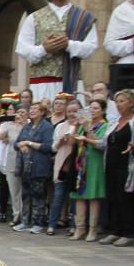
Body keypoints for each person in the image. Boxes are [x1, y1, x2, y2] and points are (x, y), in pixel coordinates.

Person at [15, 0, 98, 102]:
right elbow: (22, 49)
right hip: (41, 83)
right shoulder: (34, 18)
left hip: (72, 81)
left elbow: (90, 48)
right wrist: (44, 49)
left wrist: (68, 45)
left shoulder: (83, 17)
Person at [99, 89, 134, 247]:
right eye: (117, 101)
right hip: (111, 164)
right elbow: (103, 143)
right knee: (112, 197)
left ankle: (128, 231)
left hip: (127, 165)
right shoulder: (114, 122)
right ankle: (115, 230)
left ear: (131, 103)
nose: (118, 104)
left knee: (125, 198)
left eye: (122, 101)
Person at [13, 102, 55, 234]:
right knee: (26, 195)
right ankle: (25, 221)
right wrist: (21, 145)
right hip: (25, 165)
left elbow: (48, 147)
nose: (32, 110)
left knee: (39, 195)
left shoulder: (47, 127)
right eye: (31, 108)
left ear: (42, 112)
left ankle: (38, 222)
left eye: (36, 109)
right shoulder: (27, 126)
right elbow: (16, 143)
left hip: (39, 165)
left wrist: (29, 143)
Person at [70, 99, 108, 241]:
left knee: (93, 196)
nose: (92, 111)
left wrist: (87, 129)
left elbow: (99, 143)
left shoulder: (104, 125)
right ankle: (80, 228)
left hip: (94, 162)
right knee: (79, 195)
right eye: (91, 108)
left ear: (103, 111)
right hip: (81, 162)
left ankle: (92, 230)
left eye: (96, 108)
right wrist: (75, 126)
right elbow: (73, 141)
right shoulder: (84, 123)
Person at [48, 99, 84, 235]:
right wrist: (60, 142)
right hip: (62, 163)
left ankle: (74, 226)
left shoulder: (83, 126)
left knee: (74, 197)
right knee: (58, 196)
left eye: (75, 111)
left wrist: (75, 127)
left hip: (77, 164)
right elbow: (53, 147)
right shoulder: (60, 126)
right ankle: (52, 224)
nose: (71, 114)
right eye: (69, 111)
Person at [0, 105, 27, 227]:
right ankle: (16, 215)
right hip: (12, 160)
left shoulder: (29, 126)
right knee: (14, 191)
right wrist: (4, 121)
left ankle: (27, 216)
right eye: (18, 112)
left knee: (26, 190)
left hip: (26, 161)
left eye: (23, 112)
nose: (20, 115)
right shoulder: (9, 125)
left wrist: (23, 124)